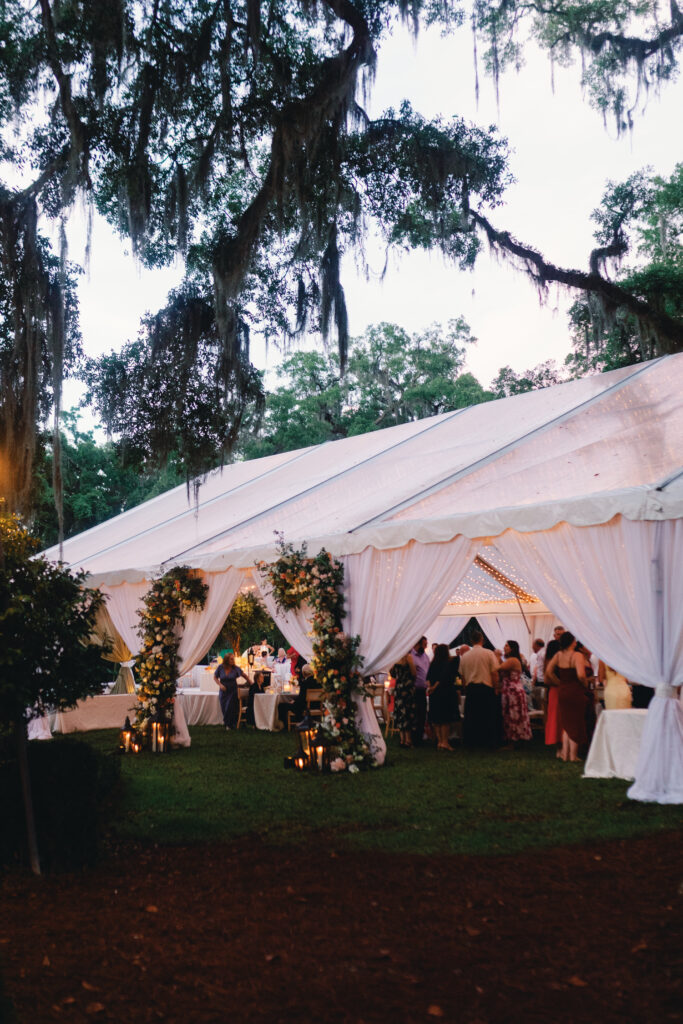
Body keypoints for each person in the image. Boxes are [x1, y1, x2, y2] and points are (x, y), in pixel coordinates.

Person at [545, 631, 589, 762]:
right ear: (572, 642)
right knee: (575, 722)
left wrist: (559, 682)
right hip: (575, 690)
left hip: (563, 690)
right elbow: (581, 675)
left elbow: (548, 671)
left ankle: (565, 753)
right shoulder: (577, 655)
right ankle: (573, 755)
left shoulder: (558, 655)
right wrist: (585, 684)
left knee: (566, 723)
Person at [459, 631, 500, 748]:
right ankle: (488, 741)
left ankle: (472, 742)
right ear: (482, 640)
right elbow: (494, 673)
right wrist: (496, 687)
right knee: (487, 716)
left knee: (472, 717)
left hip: (471, 688)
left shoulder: (465, 656)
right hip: (486, 688)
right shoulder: (489, 653)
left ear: (471, 641)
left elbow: (462, 676)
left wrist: (465, 688)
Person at [499, 640, 532, 746]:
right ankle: (515, 738)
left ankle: (513, 740)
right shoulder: (510, 660)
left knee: (512, 714)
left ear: (512, 648)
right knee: (511, 714)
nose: (504, 647)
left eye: (507, 646)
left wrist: (496, 656)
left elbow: (497, 668)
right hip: (510, 690)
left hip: (513, 691)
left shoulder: (512, 660)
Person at [427, 644, 459, 750]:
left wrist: (430, 688)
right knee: (445, 718)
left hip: (434, 694)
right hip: (445, 692)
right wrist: (434, 687)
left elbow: (428, 677)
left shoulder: (433, 663)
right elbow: (443, 678)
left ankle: (439, 741)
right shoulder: (448, 663)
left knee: (436, 718)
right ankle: (445, 741)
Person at [543, 626, 565, 750]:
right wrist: (560, 683)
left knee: (559, 716)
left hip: (557, 687)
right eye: (558, 634)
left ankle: (561, 742)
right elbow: (548, 673)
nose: (559, 637)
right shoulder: (552, 649)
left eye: (561, 634)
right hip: (556, 687)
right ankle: (558, 742)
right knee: (556, 716)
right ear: (554, 635)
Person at [214, 652, 248, 729]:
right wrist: (220, 685)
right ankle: (229, 723)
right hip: (223, 691)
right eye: (231, 659)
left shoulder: (235, 668)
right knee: (224, 707)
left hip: (233, 690)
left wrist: (250, 682)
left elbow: (244, 675)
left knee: (229, 706)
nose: (233, 661)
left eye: (233, 659)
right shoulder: (220, 667)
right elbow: (215, 677)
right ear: (226, 660)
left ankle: (228, 724)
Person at [390, 650, 417, 748]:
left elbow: (392, 673)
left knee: (400, 713)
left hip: (399, 688)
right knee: (407, 712)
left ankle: (402, 739)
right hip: (407, 687)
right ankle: (408, 740)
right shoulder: (408, 657)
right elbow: (414, 673)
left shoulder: (396, 657)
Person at [411, 636, 430, 746]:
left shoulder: (425, 656)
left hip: (423, 689)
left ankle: (420, 735)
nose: (426, 647)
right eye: (424, 645)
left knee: (422, 713)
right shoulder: (411, 656)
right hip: (414, 689)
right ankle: (414, 737)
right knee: (415, 714)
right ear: (417, 644)